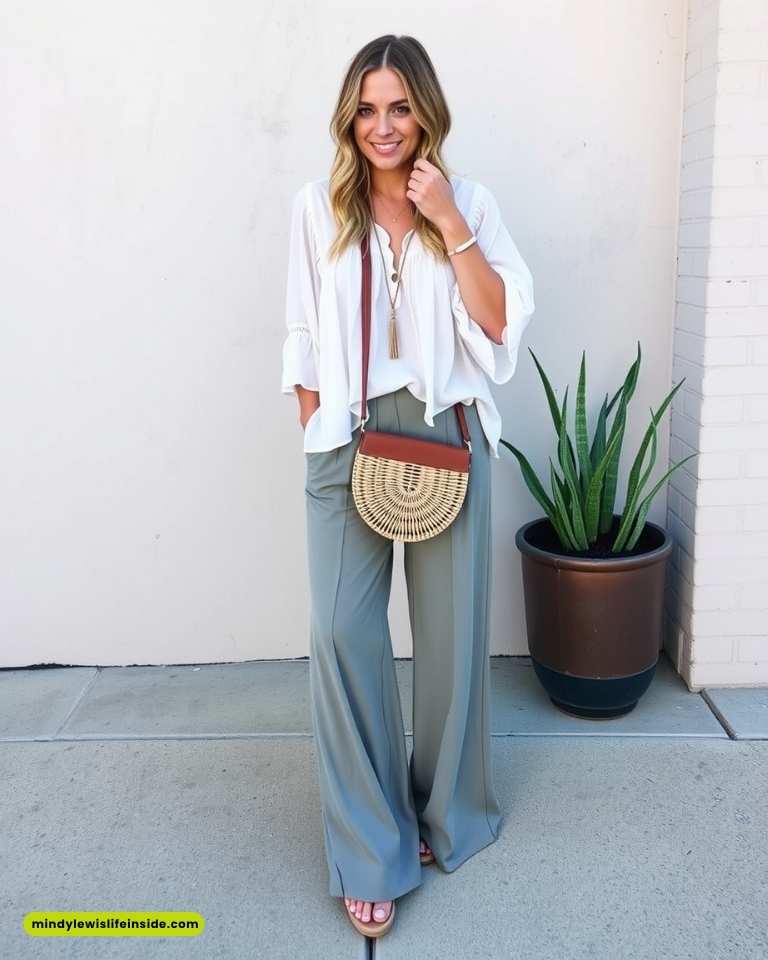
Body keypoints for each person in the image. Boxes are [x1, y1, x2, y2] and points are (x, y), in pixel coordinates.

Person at [280, 34, 535, 939]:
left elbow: (501, 324)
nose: (382, 127)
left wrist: (448, 224)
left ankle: (444, 813)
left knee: (452, 645)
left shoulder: (469, 204)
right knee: (343, 636)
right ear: (349, 117)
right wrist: (319, 416)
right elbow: (303, 329)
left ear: (425, 109)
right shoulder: (319, 209)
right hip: (346, 432)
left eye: (398, 106)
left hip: (446, 428)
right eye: (366, 108)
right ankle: (367, 847)